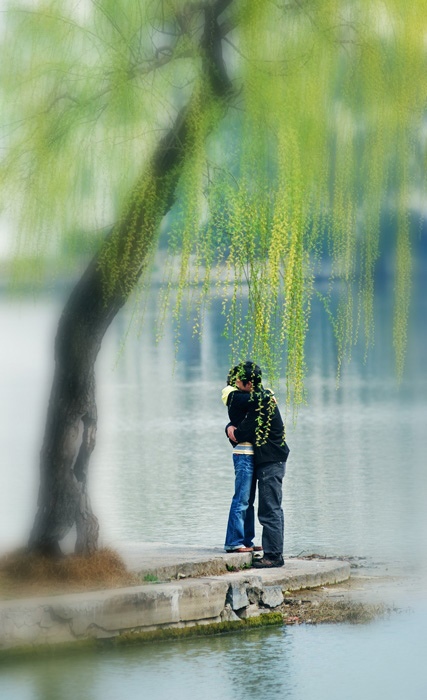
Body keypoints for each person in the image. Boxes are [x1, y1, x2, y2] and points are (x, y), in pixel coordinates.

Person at [226, 362, 290, 568]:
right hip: (270, 458)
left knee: (270, 508)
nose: (236, 385)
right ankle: (272, 552)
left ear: (247, 384)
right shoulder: (262, 399)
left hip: (271, 460)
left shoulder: (261, 403)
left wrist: (231, 430)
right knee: (270, 507)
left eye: (238, 382)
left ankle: (273, 556)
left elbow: (243, 433)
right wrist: (230, 427)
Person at [222, 363, 261, 553]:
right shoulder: (234, 396)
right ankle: (233, 542)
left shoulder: (246, 397)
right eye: (250, 382)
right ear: (239, 381)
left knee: (249, 501)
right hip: (243, 454)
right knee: (241, 499)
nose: (253, 386)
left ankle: (247, 541)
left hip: (252, 453)